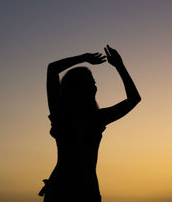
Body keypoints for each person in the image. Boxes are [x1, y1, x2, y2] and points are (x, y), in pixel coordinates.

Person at [38, 45, 141, 202]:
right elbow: (52, 69)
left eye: (94, 82)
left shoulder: (96, 117)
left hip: (87, 191)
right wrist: (84, 57)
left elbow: (134, 99)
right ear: (76, 87)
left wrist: (120, 65)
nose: (94, 86)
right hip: (63, 190)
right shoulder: (62, 113)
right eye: (90, 82)